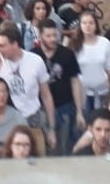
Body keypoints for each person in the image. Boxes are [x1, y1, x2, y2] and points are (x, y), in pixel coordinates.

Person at [0, 22, 57, 150]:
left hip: (32, 118)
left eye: (2, 46)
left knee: (37, 159)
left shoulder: (35, 61)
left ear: (14, 44)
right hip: (7, 120)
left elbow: (46, 95)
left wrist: (51, 129)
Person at [32, 19, 85, 155]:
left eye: (55, 35)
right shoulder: (33, 55)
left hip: (65, 107)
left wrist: (79, 110)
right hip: (41, 109)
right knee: (42, 148)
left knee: (63, 148)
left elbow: (75, 82)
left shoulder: (67, 54)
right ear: (41, 36)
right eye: (48, 36)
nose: (53, 39)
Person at [68, 12, 110, 112]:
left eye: (91, 23)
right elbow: (72, 73)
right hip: (83, 93)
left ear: (96, 25)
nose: (88, 26)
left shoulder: (105, 43)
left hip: (104, 91)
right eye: (84, 23)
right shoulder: (74, 44)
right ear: (80, 26)